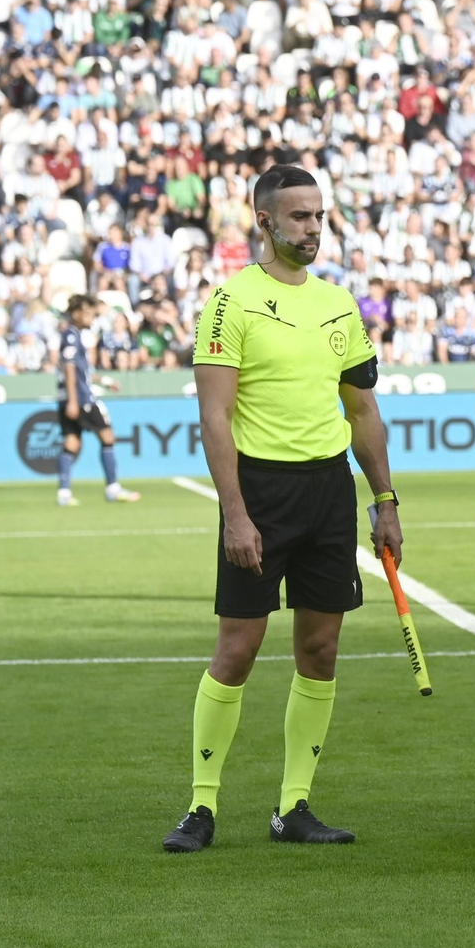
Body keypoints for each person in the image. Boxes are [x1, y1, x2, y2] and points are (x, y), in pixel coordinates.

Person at [162, 164, 403, 853]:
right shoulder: (230, 302)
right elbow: (215, 417)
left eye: (319, 216)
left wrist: (384, 499)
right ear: (264, 221)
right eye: (299, 216)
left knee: (320, 649)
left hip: (328, 491)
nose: (313, 228)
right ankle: (201, 806)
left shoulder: (338, 303)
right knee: (238, 649)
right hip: (260, 493)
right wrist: (236, 514)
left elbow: (363, 410)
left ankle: (294, 805)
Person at [54, 294, 140, 507]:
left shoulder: (74, 335)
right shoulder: (71, 336)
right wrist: (73, 400)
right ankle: (113, 488)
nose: (92, 318)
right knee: (107, 436)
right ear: (77, 314)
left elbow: (81, 372)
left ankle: (63, 493)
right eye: (89, 314)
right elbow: (69, 368)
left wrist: (104, 381)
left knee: (72, 442)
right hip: (81, 399)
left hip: (73, 397)